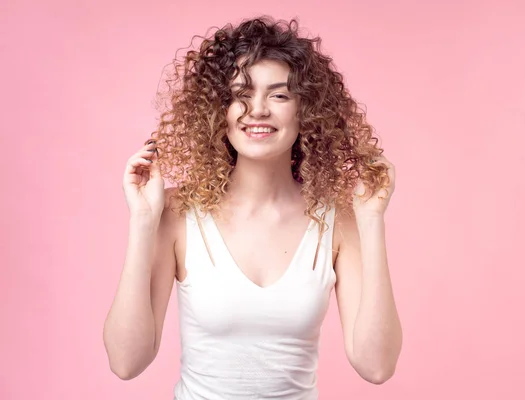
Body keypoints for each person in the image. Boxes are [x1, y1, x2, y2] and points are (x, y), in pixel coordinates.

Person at [103, 16, 402, 400]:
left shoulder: (338, 221)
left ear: (305, 111)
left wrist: (372, 220)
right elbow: (126, 362)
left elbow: (376, 366)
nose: (257, 110)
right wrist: (143, 222)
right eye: (240, 94)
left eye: (278, 95)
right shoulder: (177, 213)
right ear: (218, 109)